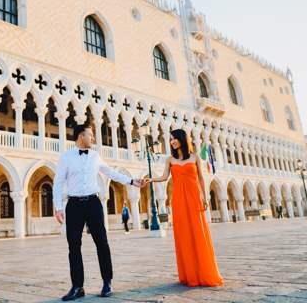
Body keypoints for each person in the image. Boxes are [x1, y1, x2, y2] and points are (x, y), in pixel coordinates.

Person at [53, 123, 148, 301]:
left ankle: (107, 282)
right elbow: (58, 183)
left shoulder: (95, 156)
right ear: (81, 137)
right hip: (73, 205)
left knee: (102, 243)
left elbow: (111, 172)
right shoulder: (66, 157)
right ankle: (77, 286)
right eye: (90, 135)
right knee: (74, 246)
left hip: (93, 203)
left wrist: (132, 181)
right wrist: (58, 207)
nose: (93, 138)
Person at [146, 128, 223, 287]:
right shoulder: (169, 160)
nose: (172, 141)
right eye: (171, 139)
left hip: (194, 198)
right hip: (179, 199)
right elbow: (164, 177)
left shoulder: (195, 157)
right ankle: (190, 274)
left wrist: (204, 196)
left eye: (174, 138)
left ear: (182, 138)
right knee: (184, 235)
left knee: (198, 232)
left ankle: (203, 271)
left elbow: (201, 178)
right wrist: (151, 179)